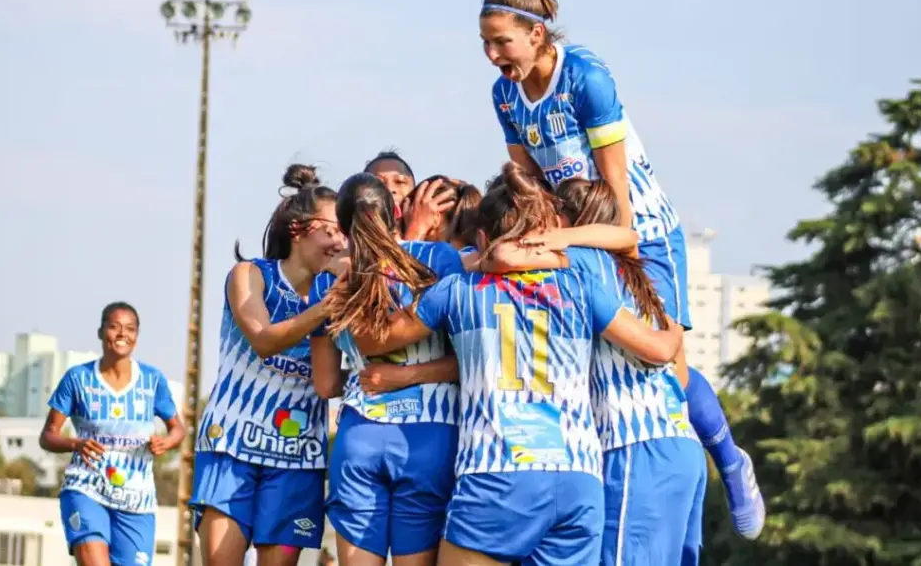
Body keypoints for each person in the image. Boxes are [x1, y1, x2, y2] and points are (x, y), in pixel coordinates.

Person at [479, 0, 764, 538]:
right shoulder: (504, 95)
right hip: (575, 234)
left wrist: (568, 243)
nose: (492, 55)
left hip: (641, 232)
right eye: (484, 43)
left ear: (536, 35)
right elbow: (527, 182)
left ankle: (729, 458)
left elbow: (622, 212)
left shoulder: (585, 78)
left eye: (501, 42)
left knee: (667, 364)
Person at [376, 163, 685, 566]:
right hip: (577, 479)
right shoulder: (580, 284)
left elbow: (382, 337)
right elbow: (658, 349)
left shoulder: (457, 289)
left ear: (481, 238)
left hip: (495, 472)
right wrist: (674, 326)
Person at [189, 165, 347, 566]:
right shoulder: (249, 275)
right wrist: (326, 307)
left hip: (298, 455)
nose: (340, 241)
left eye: (345, 232)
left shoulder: (340, 291)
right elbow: (263, 339)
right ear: (298, 230)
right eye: (332, 230)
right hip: (231, 444)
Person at [308, 172, 463, 566]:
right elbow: (469, 360)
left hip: (359, 435)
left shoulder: (328, 280)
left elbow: (325, 384)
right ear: (396, 212)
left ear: (343, 227)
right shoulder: (439, 259)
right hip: (428, 437)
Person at [40, 302, 184, 566]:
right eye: (114, 327)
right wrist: (75, 444)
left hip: (136, 499)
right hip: (86, 488)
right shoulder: (77, 378)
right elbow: (48, 436)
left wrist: (166, 442)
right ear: (100, 332)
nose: (122, 334)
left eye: (130, 329)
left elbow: (178, 429)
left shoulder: (152, 380)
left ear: (136, 336)